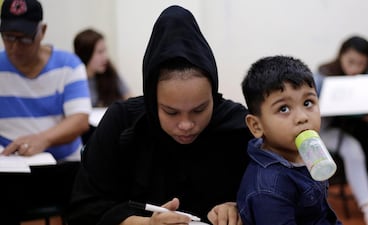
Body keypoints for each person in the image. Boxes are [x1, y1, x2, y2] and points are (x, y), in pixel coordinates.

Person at [67, 5, 252, 225]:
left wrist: (237, 206)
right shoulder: (123, 123)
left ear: (213, 94)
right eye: (171, 112)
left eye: (199, 109)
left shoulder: (237, 127)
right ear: (152, 100)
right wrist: (145, 223)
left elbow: (268, 194)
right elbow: (85, 210)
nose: (186, 124)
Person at [0, 0, 91, 224]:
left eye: (23, 38)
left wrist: (43, 139)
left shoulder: (68, 66)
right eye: (8, 37)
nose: (14, 47)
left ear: (42, 31)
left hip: (59, 170)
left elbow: (79, 120)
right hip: (7, 169)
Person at [237, 55, 342, 225]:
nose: (302, 117)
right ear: (256, 126)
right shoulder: (269, 190)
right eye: (283, 108)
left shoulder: (308, 154)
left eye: (308, 103)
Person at [315, 35, 368, 225]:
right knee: (353, 151)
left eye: (361, 63)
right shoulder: (323, 74)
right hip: (331, 130)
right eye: (351, 62)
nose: (355, 68)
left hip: (364, 127)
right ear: (341, 56)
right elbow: (312, 107)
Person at [73, 28, 132, 107]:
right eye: (100, 52)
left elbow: (130, 98)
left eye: (105, 50)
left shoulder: (109, 72)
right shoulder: (73, 79)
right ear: (86, 54)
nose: (105, 57)